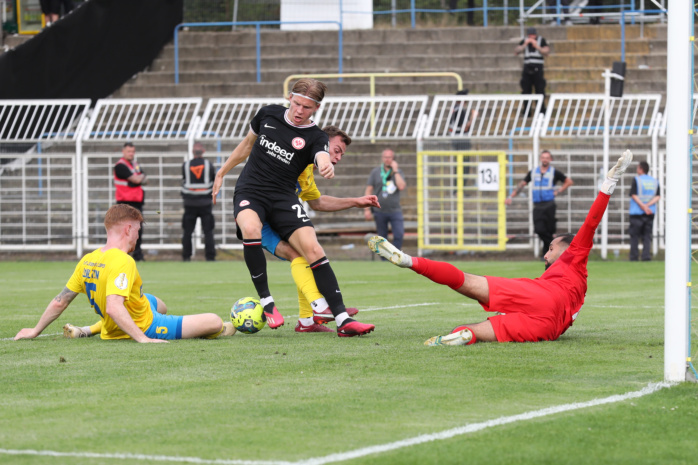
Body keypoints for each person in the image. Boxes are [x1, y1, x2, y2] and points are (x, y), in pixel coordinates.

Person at [368, 150, 634, 346]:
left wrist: (608, 184)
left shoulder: (575, 255)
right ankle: (464, 335)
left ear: (567, 248)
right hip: (551, 326)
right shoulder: (579, 283)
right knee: (481, 330)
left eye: (551, 248)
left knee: (466, 281)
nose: (546, 253)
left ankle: (410, 261)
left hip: (541, 295)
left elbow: (590, 223)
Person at [211, 78, 375, 337]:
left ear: (317, 109)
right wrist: (221, 172)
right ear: (289, 98)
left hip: (283, 198)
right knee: (253, 228)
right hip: (251, 192)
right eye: (297, 104)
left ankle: (341, 320)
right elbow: (246, 145)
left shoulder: (316, 137)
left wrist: (326, 163)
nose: (300, 111)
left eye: (307, 107)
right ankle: (268, 303)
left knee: (311, 248)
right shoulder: (268, 114)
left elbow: (321, 155)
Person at [15, 204, 235, 343]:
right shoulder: (123, 261)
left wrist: (35, 330)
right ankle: (213, 330)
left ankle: (87, 330)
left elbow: (59, 301)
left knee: (158, 302)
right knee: (214, 321)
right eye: (138, 230)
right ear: (128, 229)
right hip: (145, 326)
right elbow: (113, 306)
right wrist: (142, 339)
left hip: (111, 327)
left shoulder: (88, 259)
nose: (138, 237)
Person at [261, 125, 379, 333]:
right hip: (260, 217)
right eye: (337, 151)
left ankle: (307, 322)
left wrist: (355, 201)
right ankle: (320, 307)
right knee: (299, 253)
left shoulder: (306, 170)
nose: (338, 158)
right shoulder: (293, 153)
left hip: (276, 217)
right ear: (322, 142)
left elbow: (317, 203)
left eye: (341, 154)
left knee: (306, 254)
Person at [505, 150, 573, 257]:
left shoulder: (554, 172)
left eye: (547, 157)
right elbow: (522, 184)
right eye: (543, 157)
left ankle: (546, 255)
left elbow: (569, 181)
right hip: (538, 205)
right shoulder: (533, 172)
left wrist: (558, 191)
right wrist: (510, 197)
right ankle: (556, 248)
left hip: (549, 204)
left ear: (550, 159)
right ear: (540, 159)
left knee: (549, 231)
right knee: (539, 229)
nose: (545, 159)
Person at [364, 148, 406, 252]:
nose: (387, 159)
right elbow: (368, 190)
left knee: (399, 234)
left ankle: (396, 255)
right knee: (382, 238)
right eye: (385, 157)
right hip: (379, 210)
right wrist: (367, 209)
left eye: (390, 157)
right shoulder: (375, 172)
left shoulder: (398, 172)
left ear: (393, 158)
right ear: (382, 158)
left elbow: (401, 186)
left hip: (395, 210)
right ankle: (384, 259)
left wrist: (395, 171)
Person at [181, 142, 217, 262]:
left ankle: (186, 256)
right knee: (208, 231)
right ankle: (210, 257)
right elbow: (213, 181)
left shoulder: (186, 165)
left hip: (190, 203)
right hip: (205, 204)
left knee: (187, 232)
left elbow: (184, 181)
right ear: (203, 151)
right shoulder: (209, 165)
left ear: (192, 151)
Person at [114, 142, 146, 261]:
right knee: (124, 230)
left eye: (133, 151)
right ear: (123, 152)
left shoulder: (135, 165)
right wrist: (138, 179)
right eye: (129, 151)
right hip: (125, 203)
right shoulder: (120, 166)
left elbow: (144, 179)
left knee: (137, 230)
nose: (131, 154)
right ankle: (122, 255)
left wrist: (139, 179)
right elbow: (138, 178)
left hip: (137, 202)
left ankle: (138, 254)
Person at [628, 161, 660, 262]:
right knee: (647, 236)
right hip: (650, 212)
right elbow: (658, 197)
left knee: (635, 236)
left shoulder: (637, 180)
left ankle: (634, 257)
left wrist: (642, 206)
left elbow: (633, 194)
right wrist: (647, 206)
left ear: (641, 169)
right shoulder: (655, 181)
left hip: (637, 212)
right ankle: (646, 257)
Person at [514, 27, 550, 115]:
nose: (531, 37)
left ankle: (541, 111)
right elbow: (516, 51)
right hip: (527, 69)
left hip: (538, 69)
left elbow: (546, 52)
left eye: (533, 35)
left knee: (540, 90)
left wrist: (537, 46)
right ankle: (527, 111)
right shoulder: (525, 41)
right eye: (530, 35)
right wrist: (525, 44)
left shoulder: (541, 40)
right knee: (526, 90)